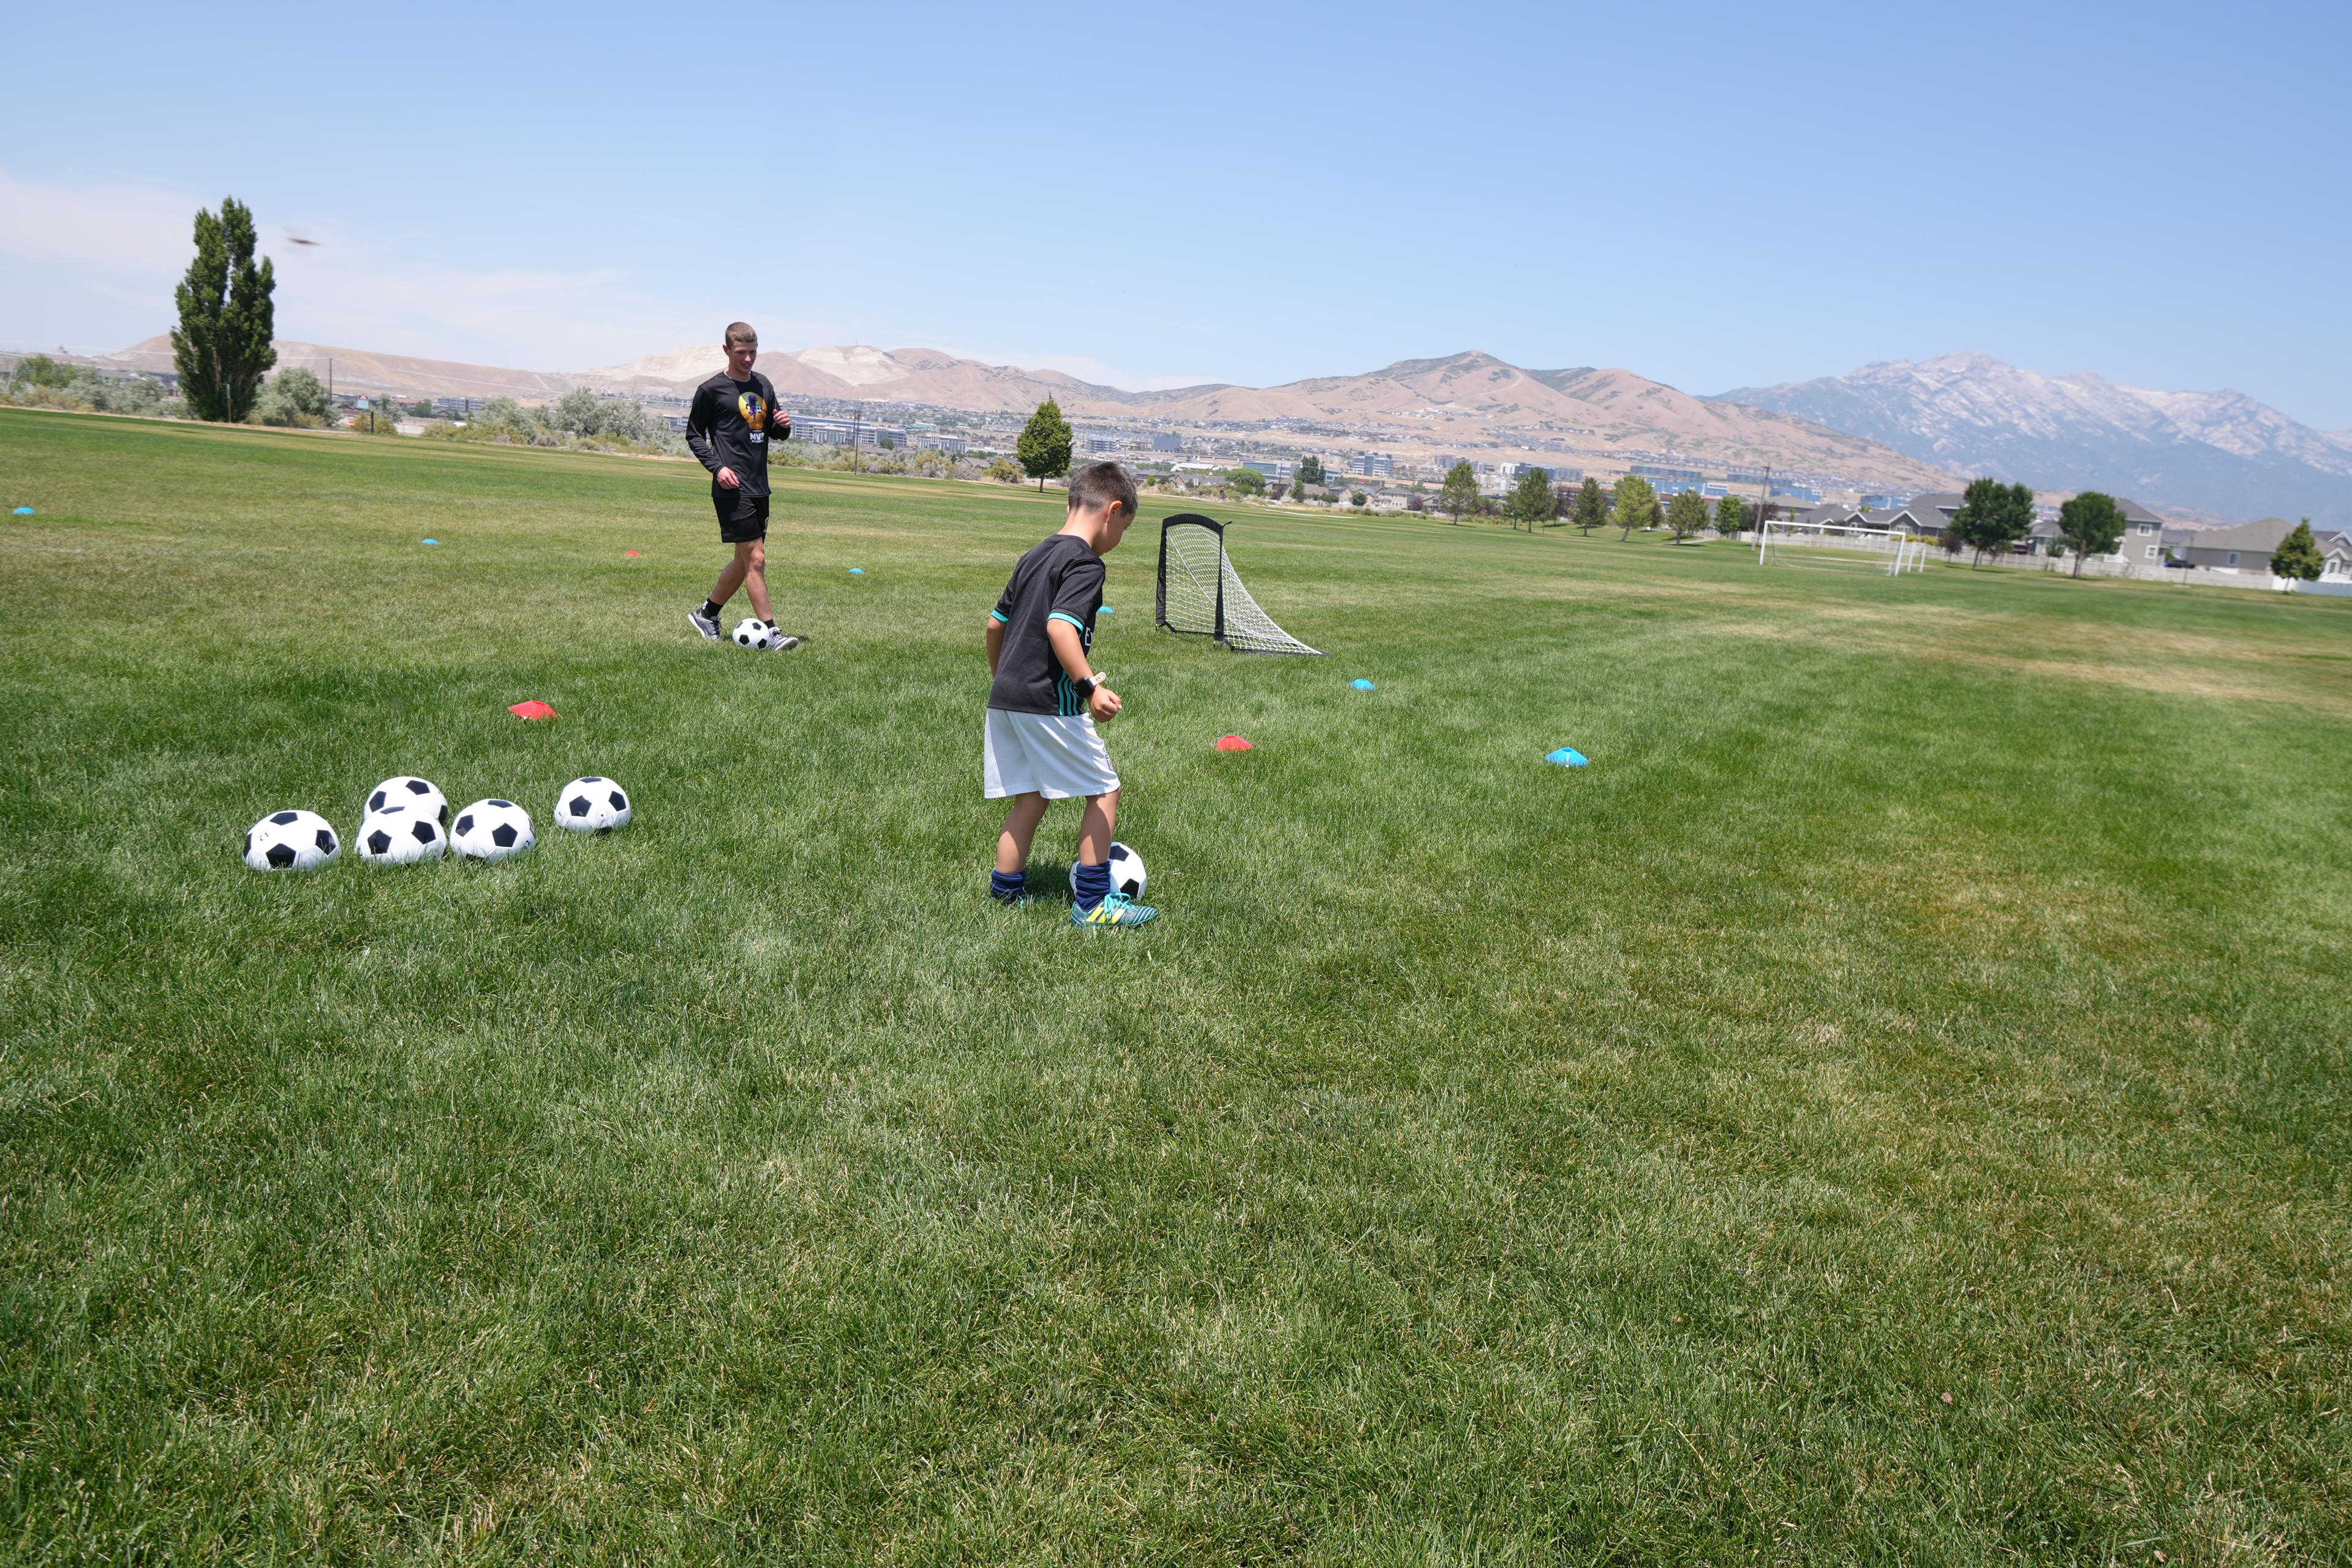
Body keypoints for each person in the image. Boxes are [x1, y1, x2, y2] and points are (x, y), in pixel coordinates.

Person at [983, 461, 1157, 928]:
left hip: (1006, 699)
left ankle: (1005, 894)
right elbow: (1060, 627)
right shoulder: (1084, 563)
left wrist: (1003, 677)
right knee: (1104, 790)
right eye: (1126, 528)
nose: (1121, 537)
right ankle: (1095, 905)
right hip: (1048, 704)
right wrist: (1088, 686)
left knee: (1031, 798)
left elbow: (995, 624)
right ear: (1112, 511)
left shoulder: (1035, 554)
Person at [685, 322, 800, 647]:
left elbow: (770, 432)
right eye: (741, 353)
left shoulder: (763, 384)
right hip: (731, 488)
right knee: (758, 559)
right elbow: (694, 435)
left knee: (744, 561)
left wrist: (783, 426)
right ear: (727, 351)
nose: (748, 359)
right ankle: (773, 632)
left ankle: (707, 614)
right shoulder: (711, 390)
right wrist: (717, 468)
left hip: (760, 485)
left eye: (752, 352)